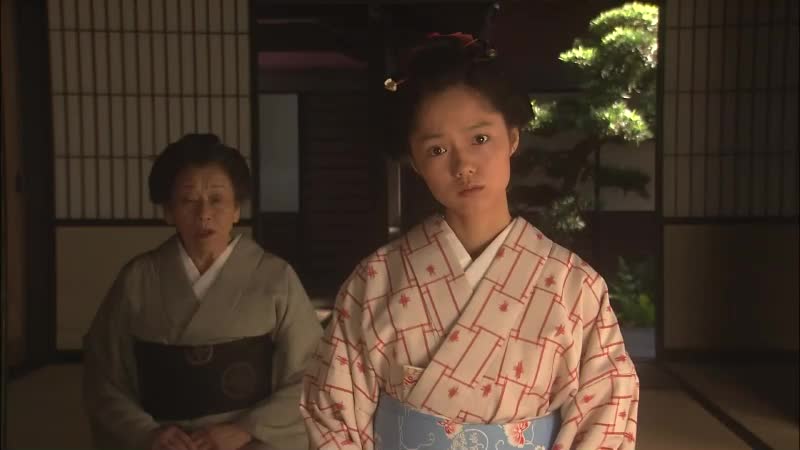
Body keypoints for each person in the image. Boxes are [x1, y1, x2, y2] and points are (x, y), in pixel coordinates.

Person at [300, 34, 639, 450]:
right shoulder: (375, 280)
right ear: (415, 162)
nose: (463, 166)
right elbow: (333, 410)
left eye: (480, 139)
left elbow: (607, 411)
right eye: (437, 150)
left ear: (512, 137)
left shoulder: (574, 285)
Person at [83, 134, 322, 450]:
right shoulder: (137, 279)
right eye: (188, 201)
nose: (204, 213)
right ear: (168, 211)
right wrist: (147, 433)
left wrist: (245, 429)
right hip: (162, 443)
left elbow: (311, 373)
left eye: (217, 199)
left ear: (236, 209)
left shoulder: (276, 277)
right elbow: (104, 376)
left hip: (250, 442)